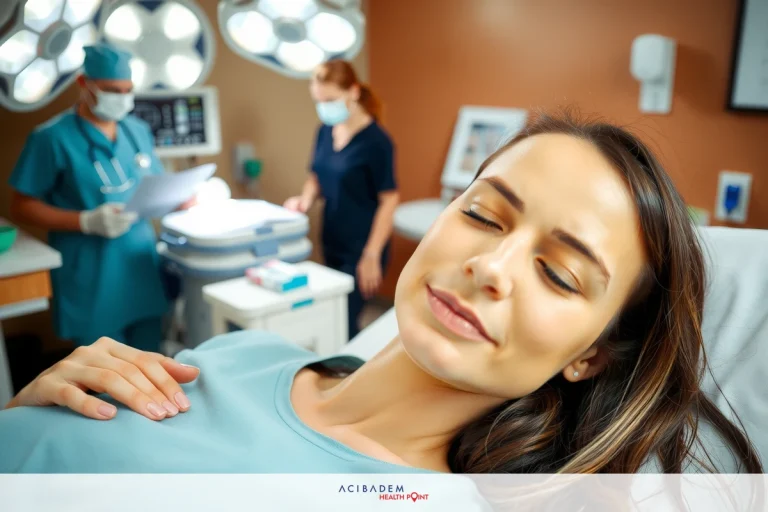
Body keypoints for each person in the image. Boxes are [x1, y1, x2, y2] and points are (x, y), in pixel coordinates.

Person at [0, 113, 762, 474]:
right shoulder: (242, 352)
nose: (492, 266)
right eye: (482, 214)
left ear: (591, 356)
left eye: (559, 274)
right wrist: (28, 412)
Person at [7, 43, 190, 353]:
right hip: (92, 277)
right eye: (111, 89)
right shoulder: (51, 138)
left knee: (151, 367)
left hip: (141, 268)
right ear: (84, 84)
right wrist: (85, 221)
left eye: (127, 89)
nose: (121, 98)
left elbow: (155, 185)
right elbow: (21, 206)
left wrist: (184, 196)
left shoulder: (137, 131)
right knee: (106, 381)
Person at [284, 60, 399, 340]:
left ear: (354, 92)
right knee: (331, 318)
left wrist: (371, 255)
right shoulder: (325, 130)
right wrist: (305, 199)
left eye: (331, 100)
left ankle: (351, 377)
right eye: (319, 101)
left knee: (343, 321)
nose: (324, 107)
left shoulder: (377, 143)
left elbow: (390, 200)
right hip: (332, 242)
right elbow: (316, 176)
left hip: (362, 249)